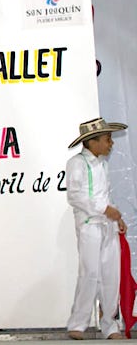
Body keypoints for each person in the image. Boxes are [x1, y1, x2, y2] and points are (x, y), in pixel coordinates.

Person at [66, 117, 129, 340]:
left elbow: (106, 195)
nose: (111, 143)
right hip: (89, 226)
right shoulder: (77, 163)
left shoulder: (103, 164)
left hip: (107, 226)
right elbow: (75, 196)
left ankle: (110, 325)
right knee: (90, 273)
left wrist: (115, 216)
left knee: (111, 274)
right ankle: (78, 323)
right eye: (107, 139)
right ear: (93, 142)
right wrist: (104, 210)